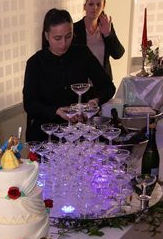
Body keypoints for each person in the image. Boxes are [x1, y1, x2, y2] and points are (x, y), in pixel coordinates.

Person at [23, 8, 116, 141]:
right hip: (47, 135)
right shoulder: (35, 63)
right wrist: (56, 111)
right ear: (46, 36)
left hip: (79, 132)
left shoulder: (83, 54)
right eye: (57, 38)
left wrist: (95, 101)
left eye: (68, 36)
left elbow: (108, 86)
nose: (63, 44)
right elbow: (30, 104)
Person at [73, 0, 125, 81]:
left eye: (98, 4)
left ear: (103, 7)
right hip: (81, 84)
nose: (94, 8)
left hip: (103, 83)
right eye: (91, 4)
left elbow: (118, 54)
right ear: (85, 7)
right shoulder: (74, 28)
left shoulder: (106, 26)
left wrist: (107, 34)